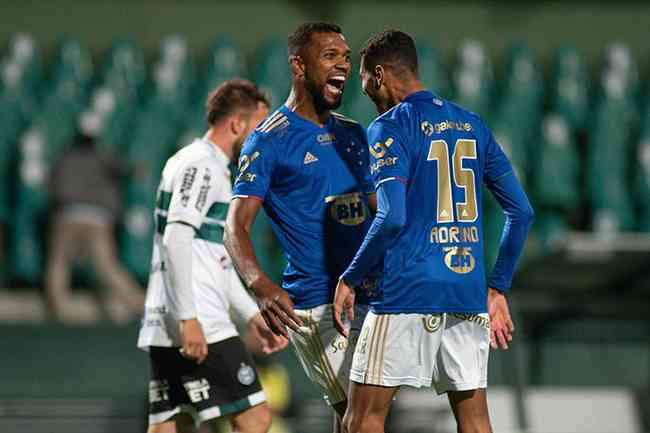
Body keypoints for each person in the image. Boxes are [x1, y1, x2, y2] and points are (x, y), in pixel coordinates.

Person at [332, 30, 534, 433]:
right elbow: (521, 212)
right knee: (475, 420)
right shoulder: (472, 125)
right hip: (465, 290)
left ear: (378, 75)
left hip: (406, 289)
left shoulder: (390, 127)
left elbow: (391, 217)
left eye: (364, 82)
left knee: (363, 417)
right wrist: (497, 287)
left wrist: (350, 278)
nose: (367, 92)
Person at [224, 23, 377, 433]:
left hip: (368, 296)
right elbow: (235, 226)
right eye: (330, 56)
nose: (343, 65)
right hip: (317, 303)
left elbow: (378, 213)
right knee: (363, 415)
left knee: (356, 416)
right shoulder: (268, 141)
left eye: (346, 57)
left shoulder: (352, 134)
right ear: (298, 64)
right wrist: (260, 284)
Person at [137, 79, 287, 433]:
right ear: (237, 124)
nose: (261, 138)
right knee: (255, 417)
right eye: (257, 127)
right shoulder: (201, 164)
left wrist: (251, 313)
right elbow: (176, 236)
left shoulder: (198, 163)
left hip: (169, 316)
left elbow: (214, 256)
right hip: (199, 317)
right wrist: (189, 318)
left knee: (173, 425)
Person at [46, 127, 145, 323]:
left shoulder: (64, 158)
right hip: (97, 218)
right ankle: (139, 305)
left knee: (59, 262)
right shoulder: (103, 156)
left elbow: (52, 186)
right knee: (107, 266)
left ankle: (58, 306)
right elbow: (130, 170)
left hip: (69, 214)